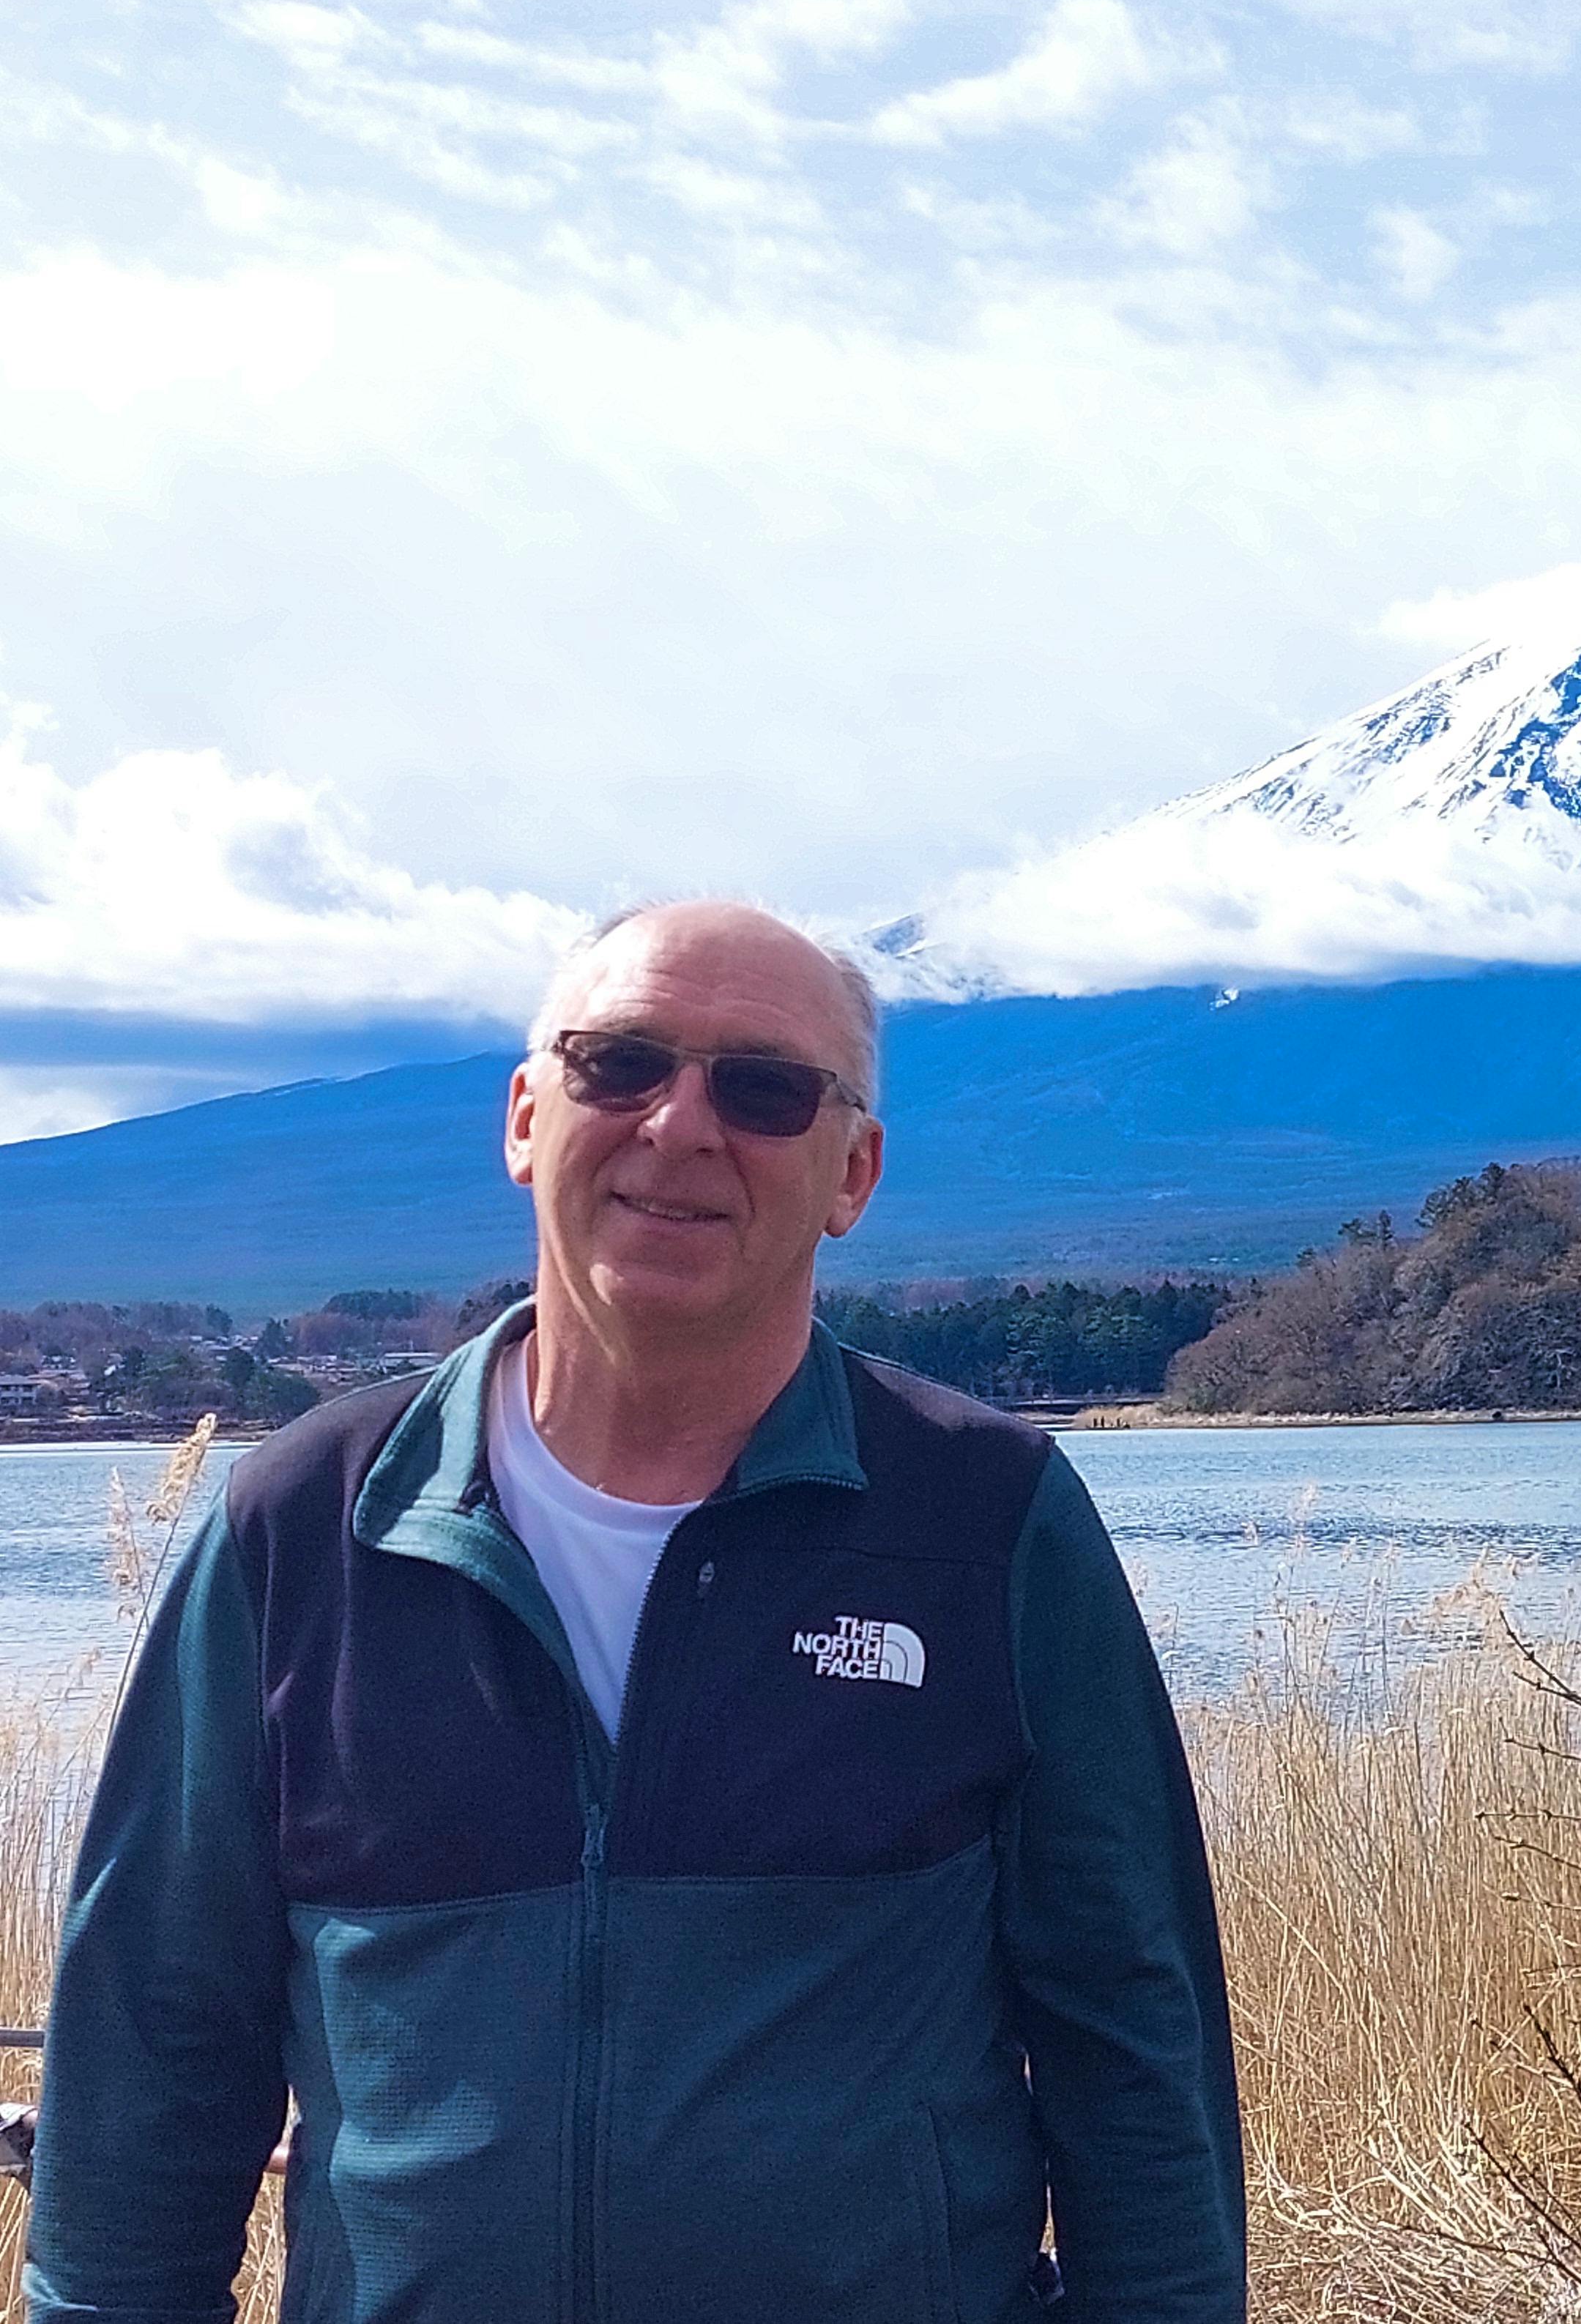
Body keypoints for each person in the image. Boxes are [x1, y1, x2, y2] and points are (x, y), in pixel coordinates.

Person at [24, 901, 1244, 2324]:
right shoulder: (302, 1527)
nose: (678, 1125)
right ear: (525, 1117)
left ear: (852, 1174)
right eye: (620, 1064)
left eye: (764, 1089)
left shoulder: (983, 1521)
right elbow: (149, 2056)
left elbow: (1137, 2051)